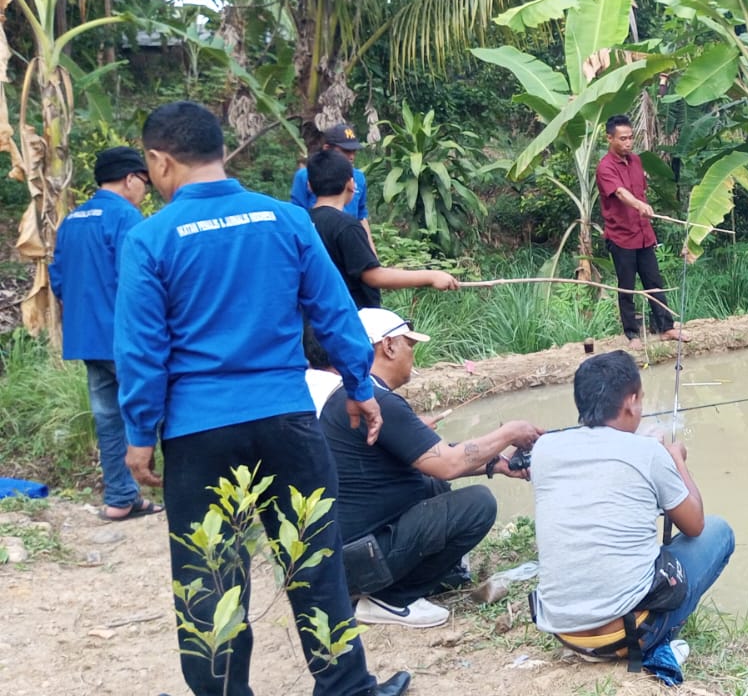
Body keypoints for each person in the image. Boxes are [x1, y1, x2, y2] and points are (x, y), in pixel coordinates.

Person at [115, 101, 409, 696]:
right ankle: (347, 689)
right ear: (220, 151)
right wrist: (360, 388)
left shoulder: (149, 238)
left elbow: (142, 352)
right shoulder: (286, 219)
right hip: (286, 423)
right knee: (314, 564)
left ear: (158, 160)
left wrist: (139, 434)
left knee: (210, 581)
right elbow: (335, 314)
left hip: (199, 436)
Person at [320, 308, 541, 628]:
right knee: (478, 504)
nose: (413, 354)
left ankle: (417, 580)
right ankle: (390, 599)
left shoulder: (358, 395)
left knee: (432, 486)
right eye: (410, 345)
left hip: (344, 559)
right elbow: (448, 464)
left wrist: (498, 464)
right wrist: (509, 432)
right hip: (358, 560)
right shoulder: (378, 401)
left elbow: (433, 458)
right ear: (389, 346)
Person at [530, 350, 733, 669]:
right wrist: (674, 457)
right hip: (628, 635)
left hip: (565, 632)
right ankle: (662, 634)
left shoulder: (544, 449)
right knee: (719, 532)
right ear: (631, 401)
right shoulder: (650, 453)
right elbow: (695, 524)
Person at [47, 147, 163, 522]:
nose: (144, 190)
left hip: (87, 339)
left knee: (109, 418)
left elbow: (59, 280)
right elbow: (138, 281)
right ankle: (181, 494)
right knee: (161, 411)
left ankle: (119, 498)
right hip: (125, 338)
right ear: (131, 179)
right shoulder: (126, 216)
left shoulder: (73, 219)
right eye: (143, 182)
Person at [305, 150, 458, 309]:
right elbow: (374, 276)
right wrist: (431, 276)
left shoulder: (302, 222)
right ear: (351, 184)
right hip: (350, 317)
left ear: (309, 185)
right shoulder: (346, 226)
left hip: (315, 315)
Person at [597, 114, 688, 349]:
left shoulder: (636, 161)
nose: (628, 143)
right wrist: (638, 205)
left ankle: (666, 327)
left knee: (654, 281)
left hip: (644, 233)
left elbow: (641, 191)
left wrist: (643, 206)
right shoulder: (605, 167)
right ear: (610, 138)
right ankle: (632, 334)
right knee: (626, 286)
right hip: (621, 236)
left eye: (631, 138)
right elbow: (619, 192)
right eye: (623, 138)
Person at [292, 122, 375, 253]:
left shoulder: (358, 177)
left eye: (354, 151)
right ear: (327, 148)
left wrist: (372, 254)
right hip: (318, 245)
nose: (351, 156)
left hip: (350, 243)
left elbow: (361, 217)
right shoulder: (305, 176)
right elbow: (297, 216)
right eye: (345, 151)